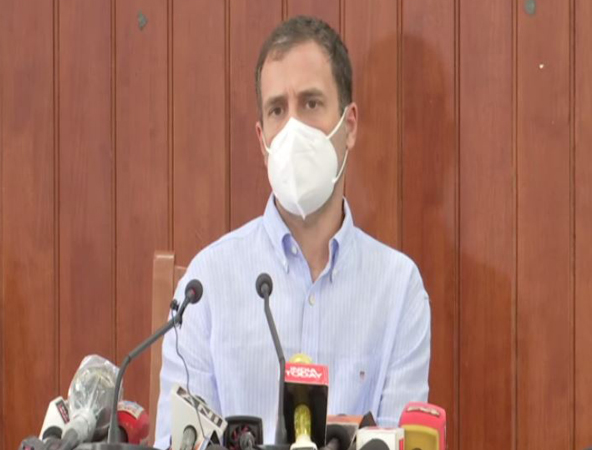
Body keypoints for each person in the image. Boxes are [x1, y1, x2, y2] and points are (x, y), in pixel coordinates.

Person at [154, 15, 430, 448]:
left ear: (350, 126)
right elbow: (178, 441)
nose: (293, 129)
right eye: (278, 110)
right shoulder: (204, 286)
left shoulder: (399, 290)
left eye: (312, 103)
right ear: (262, 139)